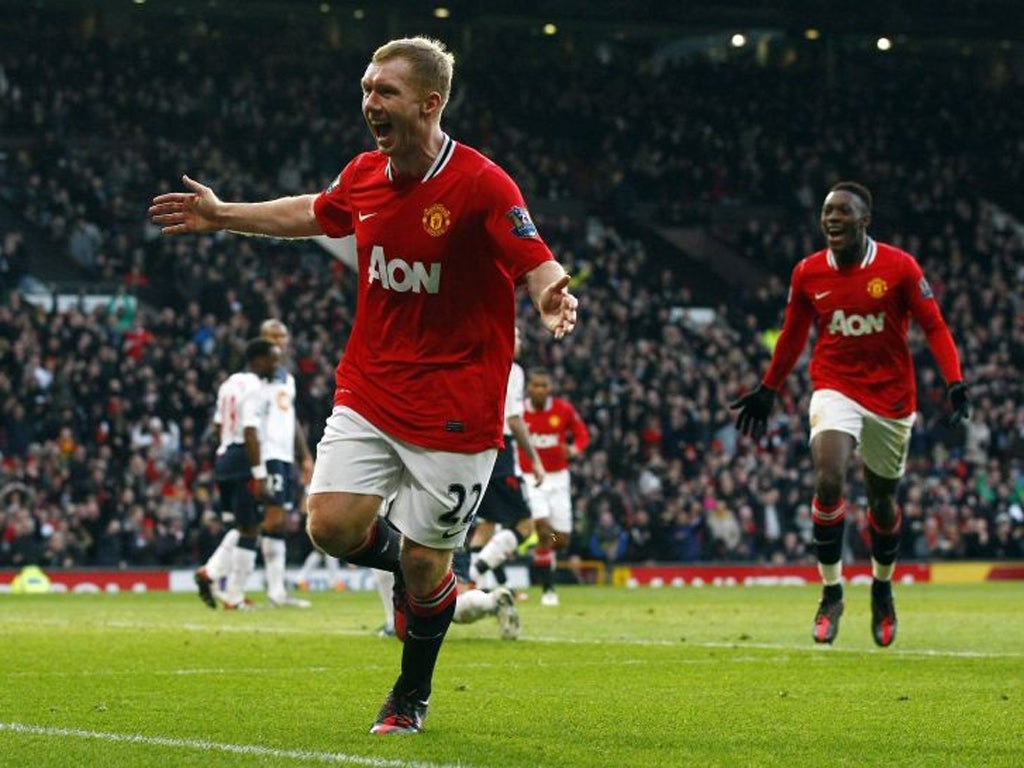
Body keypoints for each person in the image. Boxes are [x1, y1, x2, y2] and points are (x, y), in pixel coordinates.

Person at [149, 36, 578, 735]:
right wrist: (224, 215)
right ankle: (425, 588)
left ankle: (409, 694)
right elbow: (313, 213)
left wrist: (552, 293)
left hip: (458, 406)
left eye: (386, 92)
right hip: (372, 389)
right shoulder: (365, 175)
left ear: (430, 103)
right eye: (366, 88)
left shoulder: (481, 183)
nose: (370, 102)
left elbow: (535, 258)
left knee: (422, 563)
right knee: (329, 526)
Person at [729, 181, 970, 647]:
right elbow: (793, 336)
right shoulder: (807, 273)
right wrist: (768, 388)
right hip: (835, 387)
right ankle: (831, 591)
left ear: (864, 221)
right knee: (829, 478)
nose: (831, 219)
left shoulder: (899, 268)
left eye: (842, 212)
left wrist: (954, 380)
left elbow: (934, 325)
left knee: (882, 502)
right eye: (826, 212)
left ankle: (882, 588)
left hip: (893, 399)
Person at [195, 338, 281, 610]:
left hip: (224, 460)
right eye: (272, 358)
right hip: (244, 459)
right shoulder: (255, 388)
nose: (275, 364)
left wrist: (222, 455)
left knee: (241, 526)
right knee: (250, 529)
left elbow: (217, 426)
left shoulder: (228, 383)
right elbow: (250, 431)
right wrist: (259, 474)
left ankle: (213, 574)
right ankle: (233, 595)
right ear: (257, 360)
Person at [468, 325, 546, 590]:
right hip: (499, 451)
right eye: (517, 336)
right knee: (525, 524)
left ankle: (477, 588)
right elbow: (513, 420)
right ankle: (478, 570)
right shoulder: (513, 370)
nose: (520, 341)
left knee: (486, 525)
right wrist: (534, 459)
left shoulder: (475, 365)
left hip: (472, 451)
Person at [518, 367, 590, 606]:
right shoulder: (518, 411)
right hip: (530, 477)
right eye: (535, 385)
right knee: (543, 526)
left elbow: (582, 435)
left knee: (562, 539)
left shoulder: (563, 410)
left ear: (549, 389)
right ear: (529, 388)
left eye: (544, 385)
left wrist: (574, 449)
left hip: (558, 478)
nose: (539, 389)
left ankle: (538, 551)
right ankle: (549, 589)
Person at [257, 319, 315, 609]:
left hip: (282, 456)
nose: (280, 341)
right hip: (264, 454)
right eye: (274, 336)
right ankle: (219, 574)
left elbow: (289, 419)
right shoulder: (256, 376)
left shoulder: (286, 378)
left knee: (275, 520)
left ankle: (276, 591)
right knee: (270, 518)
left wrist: (304, 455)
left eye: (283, 336)